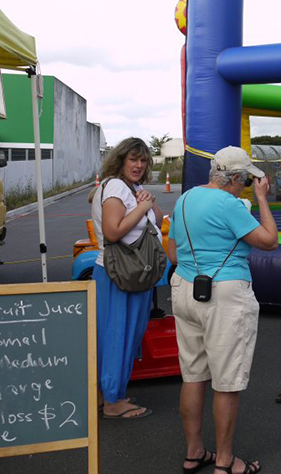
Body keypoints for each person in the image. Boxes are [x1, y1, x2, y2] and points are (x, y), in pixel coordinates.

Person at [168, 146, 279, 474]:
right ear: (233, 178)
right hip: (225, 294)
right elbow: (270, 240)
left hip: (185, 288)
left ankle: (194, 452)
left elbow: (173, 254)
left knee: (193, 375)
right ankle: (225, 461)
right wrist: (261, 199)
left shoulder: (185, 199)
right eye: (246, 181)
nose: (246, 186)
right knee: (227, 380)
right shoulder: (231, 204)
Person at [90, 137, 162, 420]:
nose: (139, 165)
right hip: (120, 272)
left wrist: (147, 204)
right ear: (120, 160)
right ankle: (113, 401)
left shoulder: (133, 188)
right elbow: (113, 231)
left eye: (143, 160)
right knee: (118, 335)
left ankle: (107, 393)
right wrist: (142, 209)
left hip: (130, 272)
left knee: (118, 335)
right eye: (133, 159)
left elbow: (156, 219)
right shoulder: (117, 187)